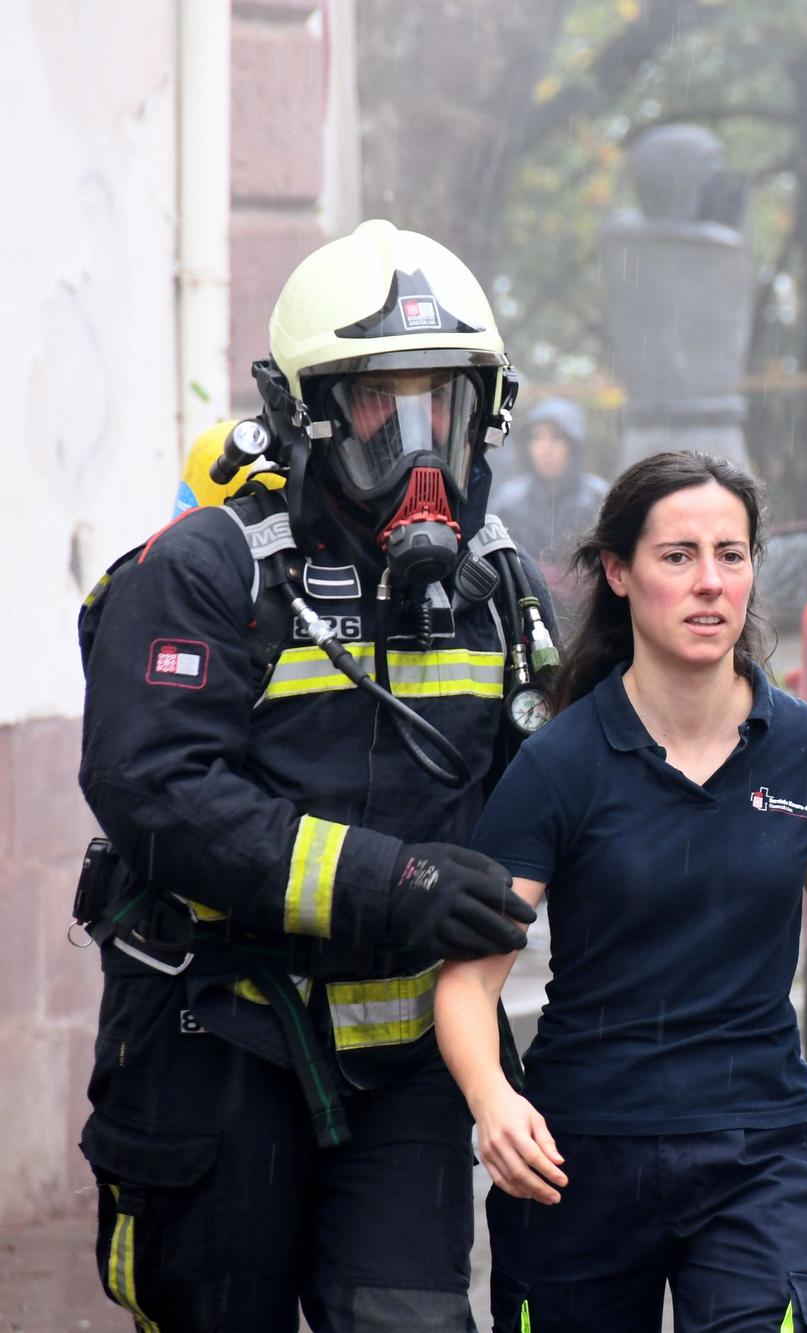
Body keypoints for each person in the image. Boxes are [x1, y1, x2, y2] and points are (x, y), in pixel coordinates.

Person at [74, 218, 550, 1331]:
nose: (423, 448)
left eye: (449, 405)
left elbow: (565, 789)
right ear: (307, 414)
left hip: (405, 1078)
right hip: (216, 1040)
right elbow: (157, 790)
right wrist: (397, 883)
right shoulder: (205, 573)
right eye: (388, 405)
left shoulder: (498, 589)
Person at [434, 451, 807, 1333]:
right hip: (579, 1155)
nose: (711, 583)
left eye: (731, 555)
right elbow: (471, 976)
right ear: (620, 573)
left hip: (758, 1152)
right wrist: (492, 1098)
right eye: (679, 556)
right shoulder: (559, 763)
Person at [489, 396, 609, 627]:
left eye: (557, 437)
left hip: (588, 625)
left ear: (574, 446)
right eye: (537, 438)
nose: (545, 448)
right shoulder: (508, 503)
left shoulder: (600, 500)